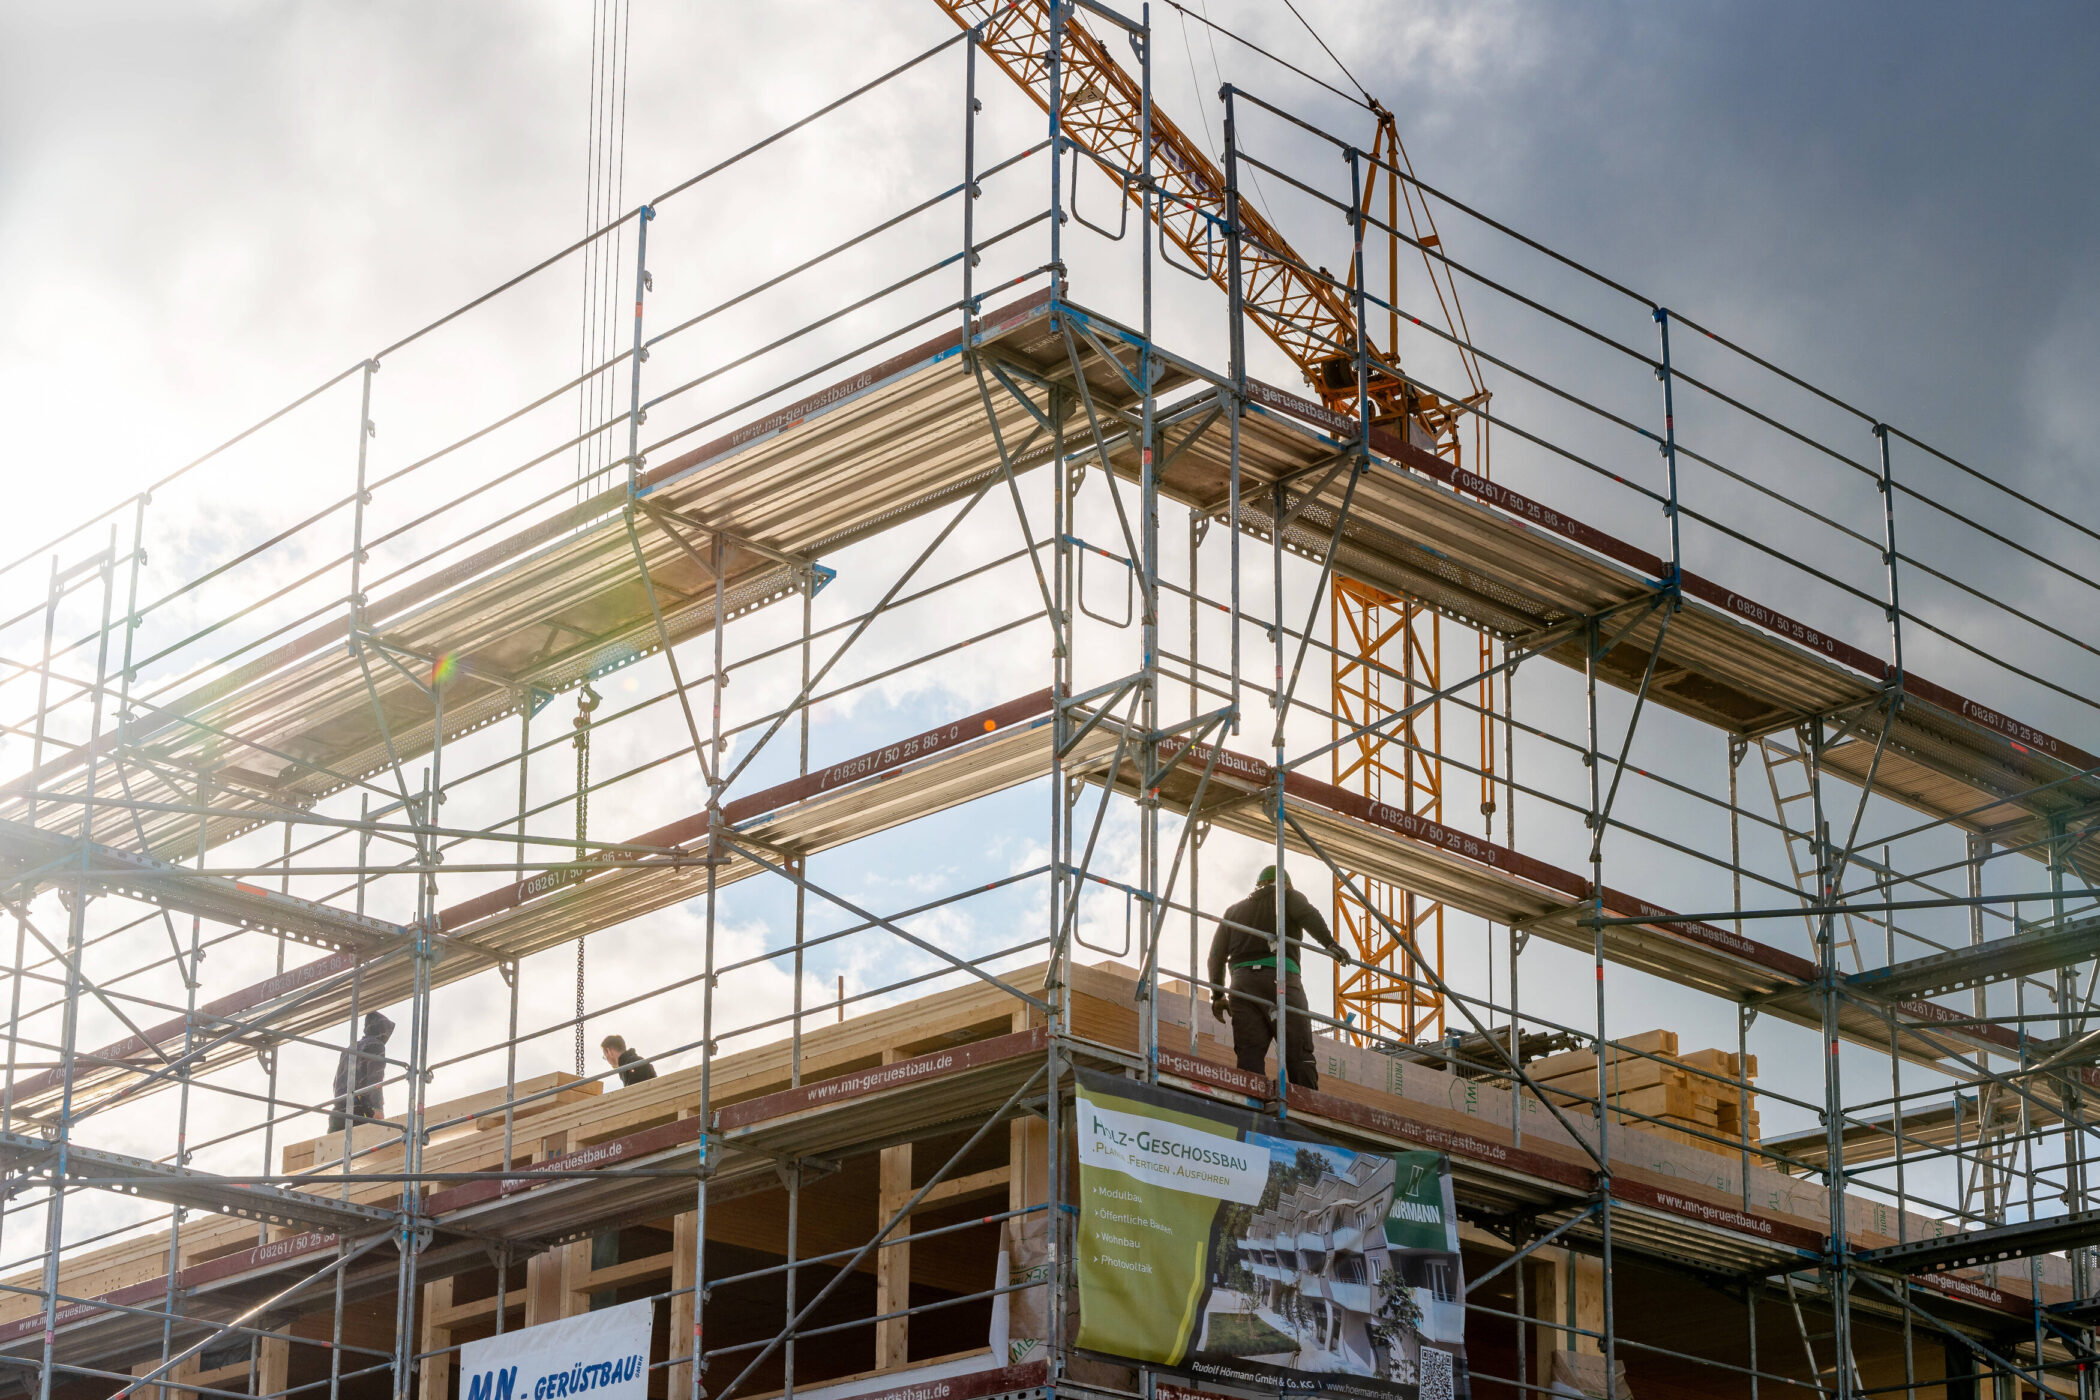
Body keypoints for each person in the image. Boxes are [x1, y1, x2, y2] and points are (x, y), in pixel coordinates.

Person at [1205, 866, 1353, 1091]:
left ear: (1259, 885)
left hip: (1242, 985)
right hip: (1280, 978)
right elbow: (1309, 915)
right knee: (1298, 1049)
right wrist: (1330, 944)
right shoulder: (1287, 896)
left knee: (1249, 1052)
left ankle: (1251, 1101)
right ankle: (1305, 1103)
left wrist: (1217, 995)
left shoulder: (1233, 911)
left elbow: (1215, 956)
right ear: (1286, 884)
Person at [329, 1011, 394, 1133]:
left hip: (338, 1113)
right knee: (368, 1143)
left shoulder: (349, 1049)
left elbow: (335, 1083)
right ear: (382, 1030)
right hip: (359, 1111)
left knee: (336, 1145)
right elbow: (375, 1079)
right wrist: (378, 1108)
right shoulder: (376, 1045)